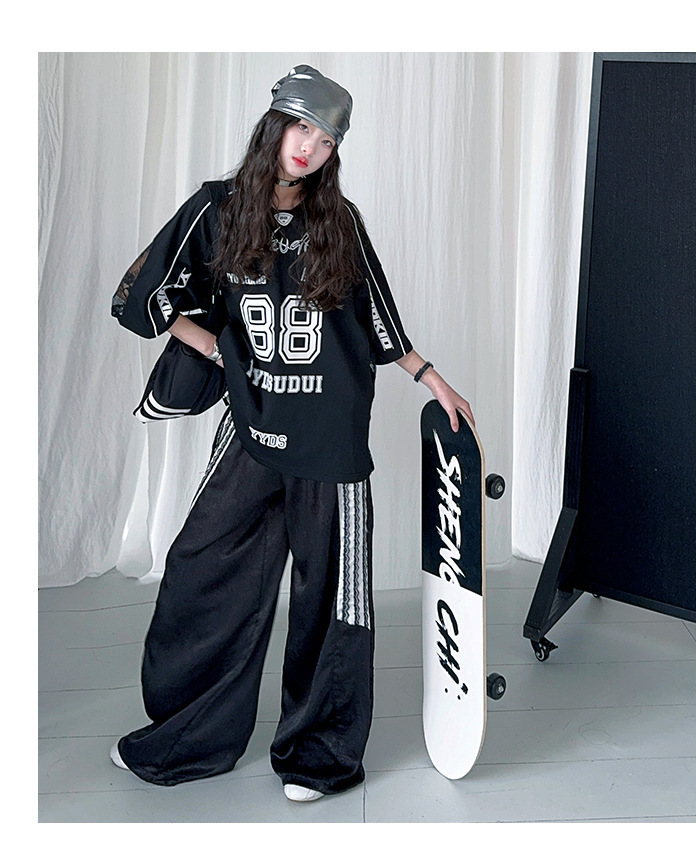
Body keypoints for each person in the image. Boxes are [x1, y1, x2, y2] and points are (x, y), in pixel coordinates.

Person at [110, 65, 473, 802]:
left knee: (334, 600)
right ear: (276, 124)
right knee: (203, 573)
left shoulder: (340, 221)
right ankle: (189, 733)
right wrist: (213, 346)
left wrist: (429, 375)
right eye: (303, 127)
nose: (310, 147)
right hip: (251, 429)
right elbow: (140, 295)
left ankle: (319, 754)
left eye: (327, 138)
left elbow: (378, 320)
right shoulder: (217, 208)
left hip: (331, 440)